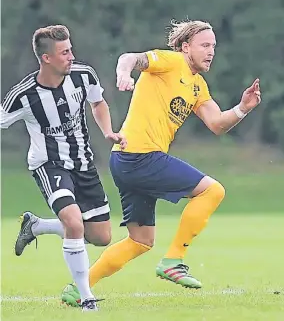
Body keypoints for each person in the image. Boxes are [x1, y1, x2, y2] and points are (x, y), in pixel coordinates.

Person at [61, 18, 261, 306]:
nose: (211, 51)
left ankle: (79, 287)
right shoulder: (170, 62)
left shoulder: (197, 86)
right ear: (185, 46)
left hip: (128, 160)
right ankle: (174, 261)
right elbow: (129, 58)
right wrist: (124, 74)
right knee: (212, 190)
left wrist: (242, 108)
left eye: (213, 46)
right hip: (140, 156)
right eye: (204, 45)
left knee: (140, 241)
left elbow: (217, 124)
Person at [1, 25, 126, 311]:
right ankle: (86, 298)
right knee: (72, 221)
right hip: (49, 164)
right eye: (64, 52)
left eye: (70, 50)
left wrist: (107, 131)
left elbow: (98, 102)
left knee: (101, 237)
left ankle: (37, 226)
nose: (72, 56)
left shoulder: (84, 76)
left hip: (84, 164)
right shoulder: (24, 95)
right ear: (46, 58)